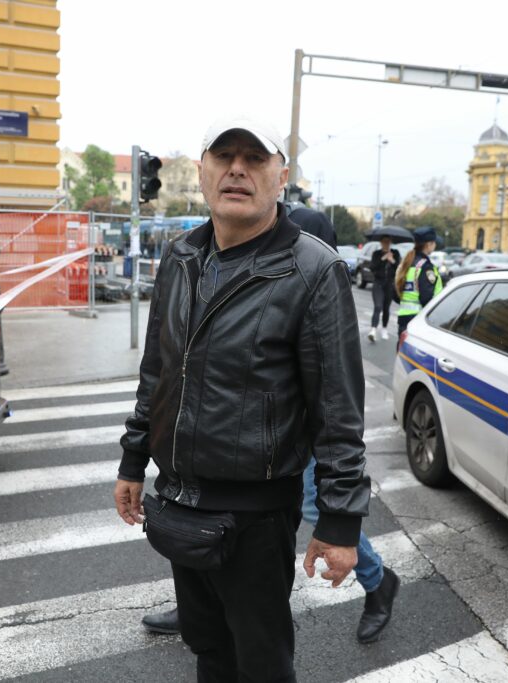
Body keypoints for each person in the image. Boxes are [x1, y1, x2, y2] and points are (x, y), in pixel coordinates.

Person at [115, 115, 370, 682]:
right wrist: (134, 460)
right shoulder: (181, 257)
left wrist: (340, 522)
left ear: (281, 177)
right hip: (179, 501)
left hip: (256, 518)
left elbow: (337, 411)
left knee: (261, 664)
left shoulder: (313, 270)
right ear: (201, 172)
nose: (237, 169)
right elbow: (157, 370)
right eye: (223, 157)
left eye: (254, 159)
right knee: (208, 648)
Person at [141, 208, 400, 646]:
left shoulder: (312, 262)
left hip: (287, 433)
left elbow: (334, 398)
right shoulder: (201, 251)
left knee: (318, 509)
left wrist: (341, 526)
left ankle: (378, 581)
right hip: (235, 441)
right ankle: (198, 605)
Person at [395, 226, 443, 346]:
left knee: (403, 352)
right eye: (434, 242)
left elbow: (395, 293)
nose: (435, 245)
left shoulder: (405, 263)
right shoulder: (425, 266)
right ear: (428, 245)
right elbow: (426, 298)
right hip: (419, 320)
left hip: (403, 318)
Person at [367, 236, 399, 342]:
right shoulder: (376, 254)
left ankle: (384, 329)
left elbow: (399, 268)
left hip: (389, 285)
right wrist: (383, 258)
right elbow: (372, 267)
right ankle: (373, 330)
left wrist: (392, 260)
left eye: (388, 242)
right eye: (384, 242)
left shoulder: (395, 253)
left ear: (390, 243)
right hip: (378, 284)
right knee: (378, 306)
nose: (386, 244)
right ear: (381, 243)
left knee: (386, 308)